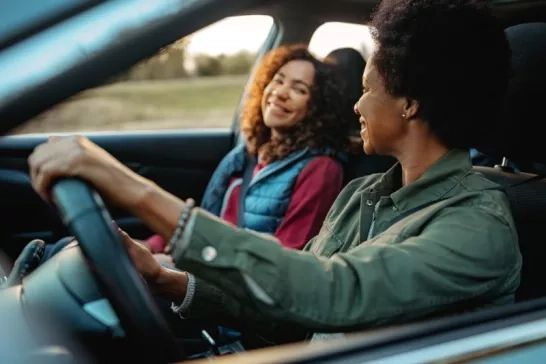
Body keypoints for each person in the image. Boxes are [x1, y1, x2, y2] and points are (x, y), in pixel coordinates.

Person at [28, 0, 521, 348]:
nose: (357, 103)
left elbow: (335, 291)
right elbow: (285, 302)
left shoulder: (477, 228)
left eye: (369, 88)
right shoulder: (362, 194)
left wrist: (137, 193)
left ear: (412, 103)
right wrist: (164, 279)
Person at [39, 44, 353, 265]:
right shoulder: (248, 155)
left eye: (299, 89)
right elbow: (207, 216)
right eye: (278, 80)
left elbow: (289, 261)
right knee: (72, 251)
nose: (281, 92)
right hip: (199, 259)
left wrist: (173, 264)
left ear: (317, 108)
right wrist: (147, 246)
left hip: (227, 282)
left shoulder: (321, 168)